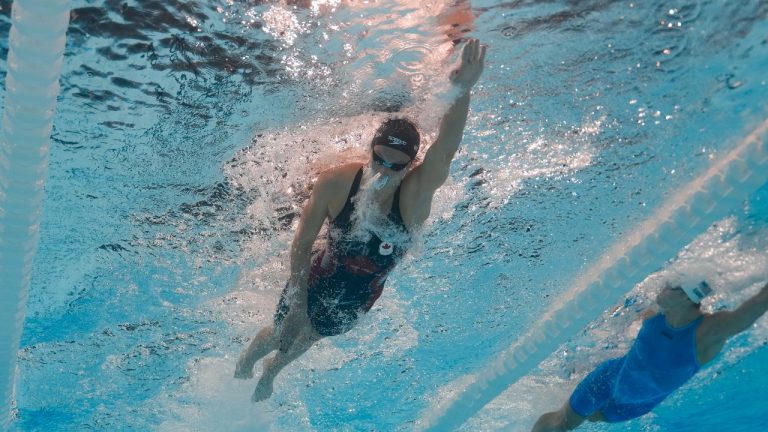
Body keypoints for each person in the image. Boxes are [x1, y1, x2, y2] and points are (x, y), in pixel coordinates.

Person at [234, 39, 487, 402]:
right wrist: (299, 301)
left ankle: (273, 370)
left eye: (394, 165)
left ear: (410, 164)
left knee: (312, 336)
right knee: (283, 330)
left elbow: (445, 149)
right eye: (378, 159)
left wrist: (463, 90)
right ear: (370, 150)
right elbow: (303, 243)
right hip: (319, 271)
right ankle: (248, 360)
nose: (384, 170)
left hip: (362, 289)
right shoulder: (337, 182)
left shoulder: (414, 196)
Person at [532, 278, 768, 432]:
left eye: (672, 286)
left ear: (687, 298)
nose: (663, 288)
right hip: (608, 379)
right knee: (561, 424)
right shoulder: (657, 312)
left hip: (633, 406)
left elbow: (758, 304)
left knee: (592, 417)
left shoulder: (709, 332)